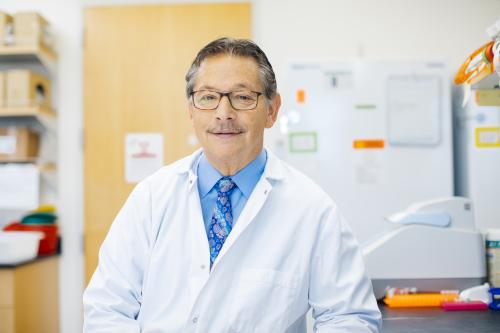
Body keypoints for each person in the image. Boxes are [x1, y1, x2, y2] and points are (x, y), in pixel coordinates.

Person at [83, 37, 382, 333]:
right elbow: (108, 308)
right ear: (191, 110)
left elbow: (349, 318)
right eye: (208, 97)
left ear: (272, 110)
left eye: (242, 97)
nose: (223, 113)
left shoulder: (313, 210)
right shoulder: (150, 199)